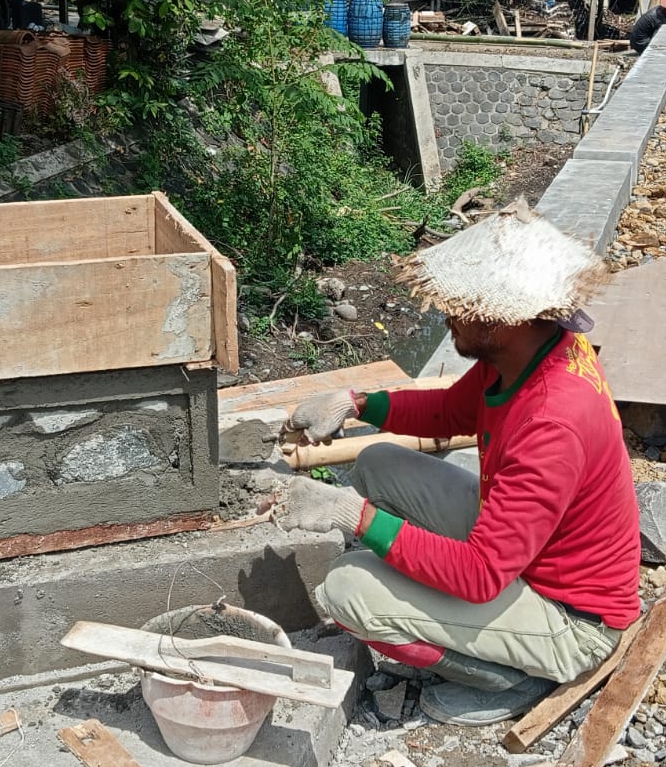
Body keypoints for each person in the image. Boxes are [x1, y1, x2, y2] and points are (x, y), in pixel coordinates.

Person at [270, 200, 643, 726]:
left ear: (503, 317)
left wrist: (353, 519)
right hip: (531, 550)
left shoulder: (551, 421)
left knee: (346, 589)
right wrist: (356, 405)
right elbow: (450, 409)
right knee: (378, 462)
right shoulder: (532, 350)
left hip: (573, 617)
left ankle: (514, 678)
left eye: (459, 304)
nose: (446, 315)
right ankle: (488, 640)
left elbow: (481, 575)